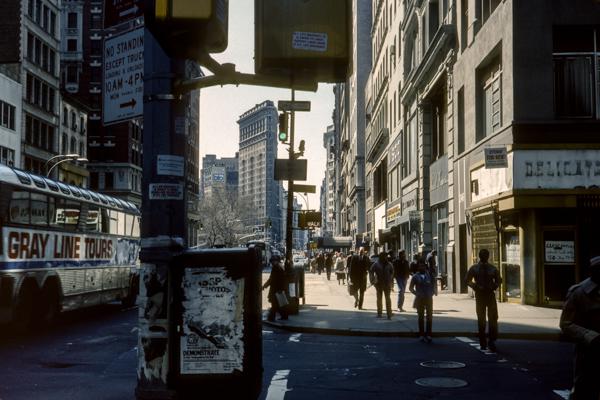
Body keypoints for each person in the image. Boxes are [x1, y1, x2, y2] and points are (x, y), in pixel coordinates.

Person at [560, 255, 600, 400]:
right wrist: (588, 335)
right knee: (584, 389)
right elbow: (565, 323)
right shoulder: (579, 292)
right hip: (588, 351)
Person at [465, 248, 502, 352]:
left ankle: (491, 340)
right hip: (480, 296)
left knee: (493, 318)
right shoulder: (474, 268)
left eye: (486, 255)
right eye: (483, 255)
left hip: (490, 295)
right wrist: (475, 286)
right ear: (480, 256)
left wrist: (494, 286)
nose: (485, 257)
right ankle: (482, 341)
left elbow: (499, 280)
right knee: (481, 319)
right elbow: (467, 280)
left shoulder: (492, 268)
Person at [409, 259, 435, 342]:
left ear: (425, 266)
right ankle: (421, 334)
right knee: (420, 317)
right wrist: (416, 293)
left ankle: (429, 334)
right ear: (418, 267)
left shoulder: (429, 275)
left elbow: (433, 284)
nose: (422, 267)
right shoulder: (415, 276)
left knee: (429, 316)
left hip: (428, 298)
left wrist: (432, 292)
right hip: (420, 299)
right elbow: (411, 288)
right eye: (420, 266)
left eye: (423, 266)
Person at [262, 254, 288, 321]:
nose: (272, 263)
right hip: (278, 288)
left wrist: (264, 286)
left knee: (275, 304)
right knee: (278, 303)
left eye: (273, 261)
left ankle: (272, 317)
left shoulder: (276, 267)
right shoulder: (280, 266)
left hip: (276, 288)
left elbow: (271, 279)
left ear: (276, 261)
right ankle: (283, 316)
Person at [370, 251, 394, 319]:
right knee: (379, 299)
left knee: (388, 299)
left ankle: (389, 314)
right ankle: (379, 313)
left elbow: (392, 272)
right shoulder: (376, 264)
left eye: (386, 256)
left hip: (387, 284)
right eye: (384, 256)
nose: (385, 257)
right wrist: (372, 280)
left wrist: (390, 279)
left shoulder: (389, 264)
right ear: (381, 257)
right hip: (379, 284)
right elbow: (371, 271)